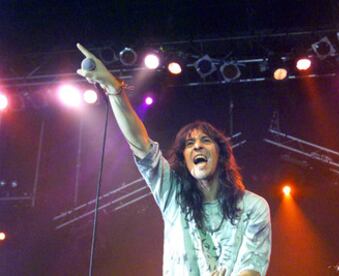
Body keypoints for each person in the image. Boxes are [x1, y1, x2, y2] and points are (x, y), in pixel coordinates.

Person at [76, 43, 271, 276]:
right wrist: (112, 87)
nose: (197, 145)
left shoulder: (253, 207)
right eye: (189, 144)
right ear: (184, 160)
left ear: (221, 155)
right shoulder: (174, 197)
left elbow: (252, 266)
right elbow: (141, 144)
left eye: (205, 141)